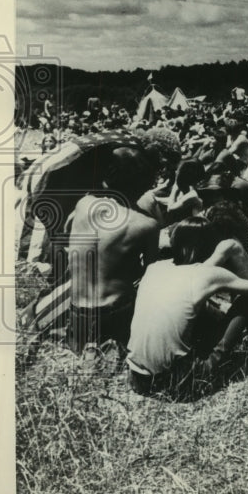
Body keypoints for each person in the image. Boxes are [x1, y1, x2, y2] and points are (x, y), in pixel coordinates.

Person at [125, 218, 248, 398]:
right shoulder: (206, 275)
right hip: (180, 383)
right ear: (209, 246)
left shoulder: (154, 268)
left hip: (137, 379)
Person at [66, 147, 162, 353]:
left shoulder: (84, 204)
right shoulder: (146, 225)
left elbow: (69, 236)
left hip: (76, 313)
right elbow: (151, 278)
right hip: (112, 314)